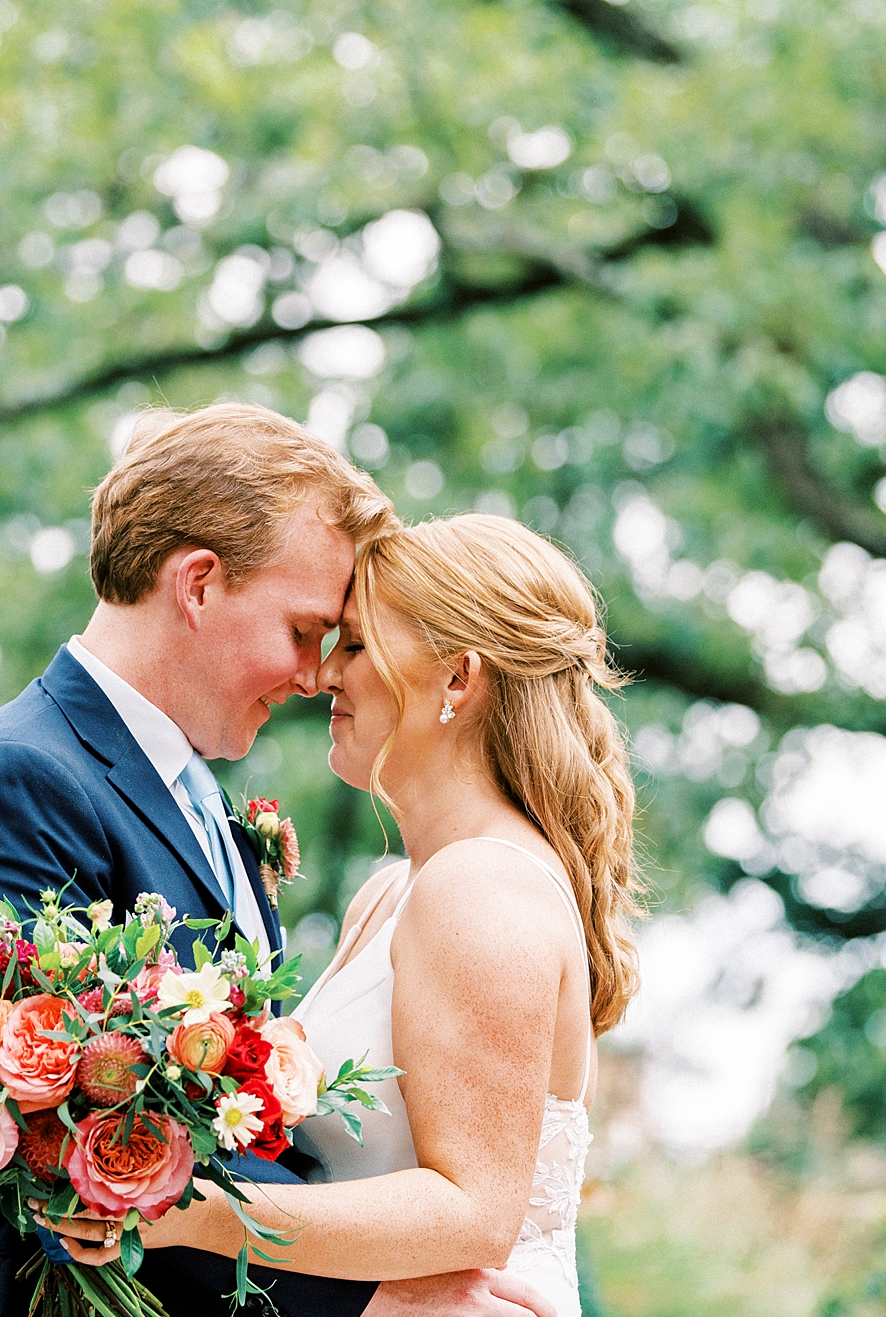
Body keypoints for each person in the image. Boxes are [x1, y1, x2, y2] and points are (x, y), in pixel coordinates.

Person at [0, 406, 557, 1317]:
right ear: (198, 584)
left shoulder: (197, 803)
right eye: (308, 628)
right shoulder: (19, 781)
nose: (316, 675)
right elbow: (51, 1160)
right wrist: (373, 1306)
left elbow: (230, 1140)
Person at [41, 513, 647, 1317]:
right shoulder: (393, 889)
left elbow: (474, 1212)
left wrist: (205, 1213)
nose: (326, 675)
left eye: (356, 646)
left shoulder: (479, 888)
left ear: (458, 679)